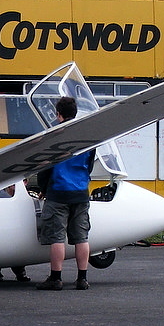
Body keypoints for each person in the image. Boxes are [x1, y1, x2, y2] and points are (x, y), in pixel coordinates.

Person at [35, 96, 94, 290]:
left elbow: (46, 167)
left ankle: (56, 278)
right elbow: (90, 165)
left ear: (58, 114)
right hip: (80, 192)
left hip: (58, 192)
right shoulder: (87, 136)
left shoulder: (54, 135)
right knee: (81, 237)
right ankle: (82, 278)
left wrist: (43, 189)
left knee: (57, 237)